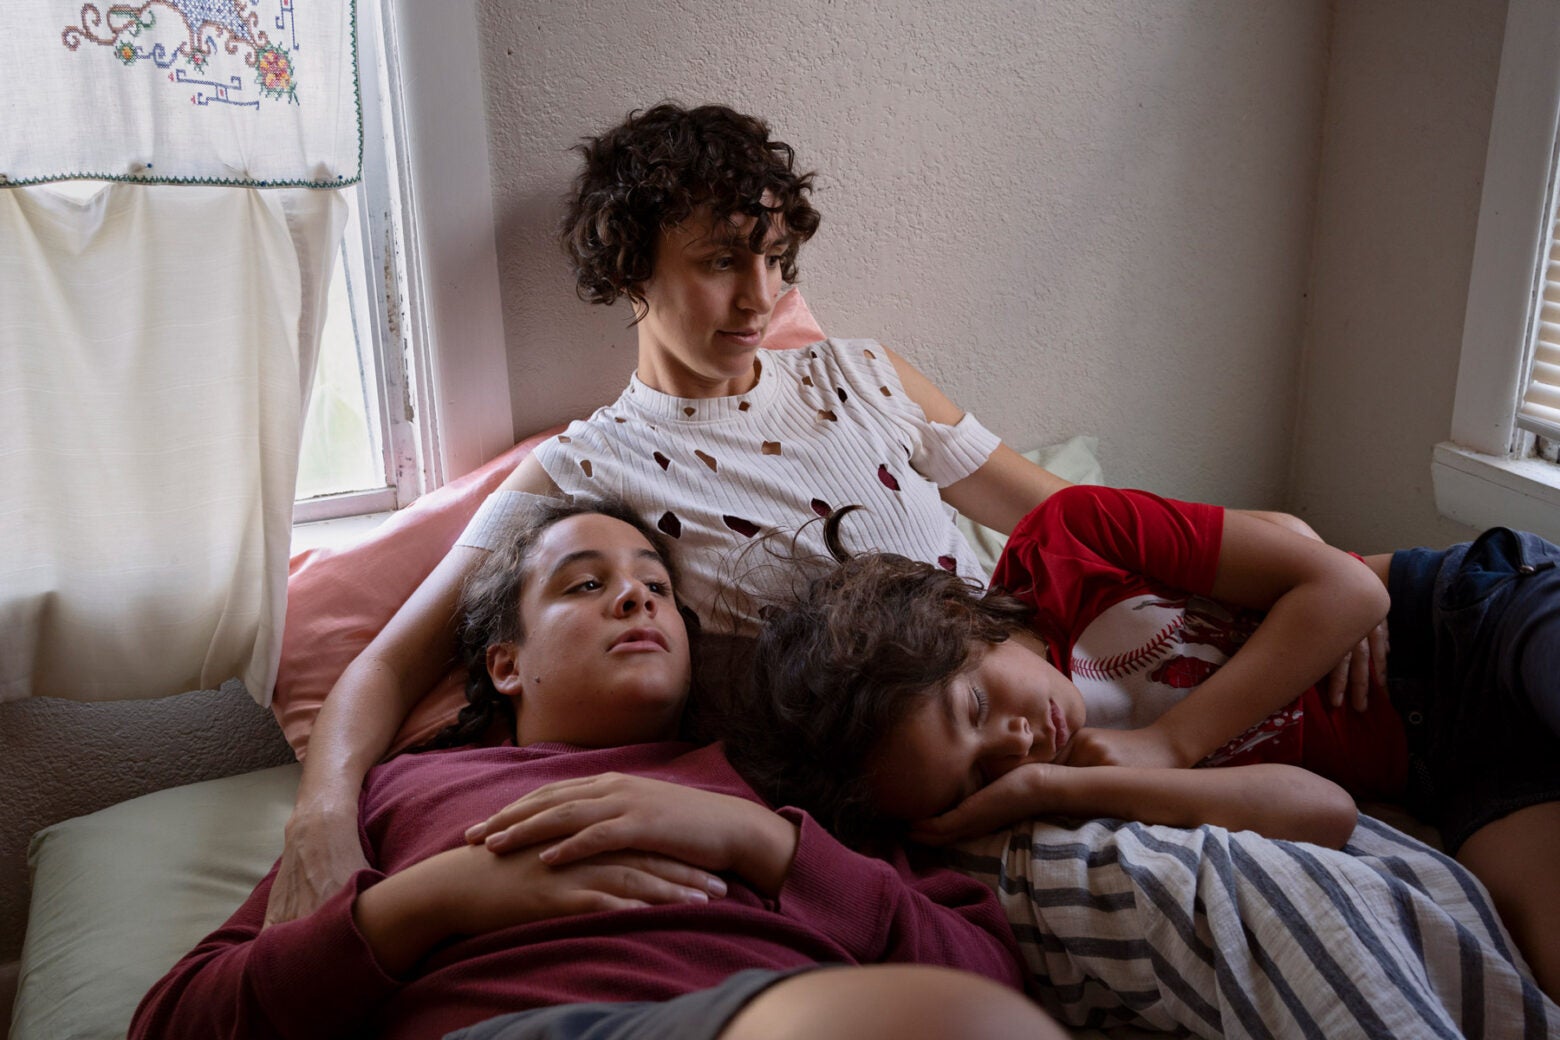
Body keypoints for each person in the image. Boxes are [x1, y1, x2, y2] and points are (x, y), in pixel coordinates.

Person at [268, 100, 1377, 926]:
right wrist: (322, 815)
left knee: (1347, 868)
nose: (757, 296)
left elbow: (1072, 516)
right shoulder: (588, 466)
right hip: (921, 801)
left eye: (772, 256)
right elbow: (386, 661)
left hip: (1046, 715)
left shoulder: (863, 375)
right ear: (630, 270)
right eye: (716, 262)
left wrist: (1310, 558)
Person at [130, 498, 1064, 1040]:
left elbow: (986, 969)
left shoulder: (780, 783)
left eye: (658, 587)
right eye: (587, 584)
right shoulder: (406, 790)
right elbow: (175, 1024)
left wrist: (761, 841)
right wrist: (436, 899)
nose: (635, 595)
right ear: (504, 664)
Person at [732, 485, 1560, 1002]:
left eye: (977, 705)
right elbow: (1327, 812)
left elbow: (1343, 587)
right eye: (979, 775)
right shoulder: (1072, 797)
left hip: (1467, 619)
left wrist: (1169, 742)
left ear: (956, 621)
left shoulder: (1069, 538)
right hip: (1458, 770)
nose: (1017, 745)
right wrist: (1060, 792)